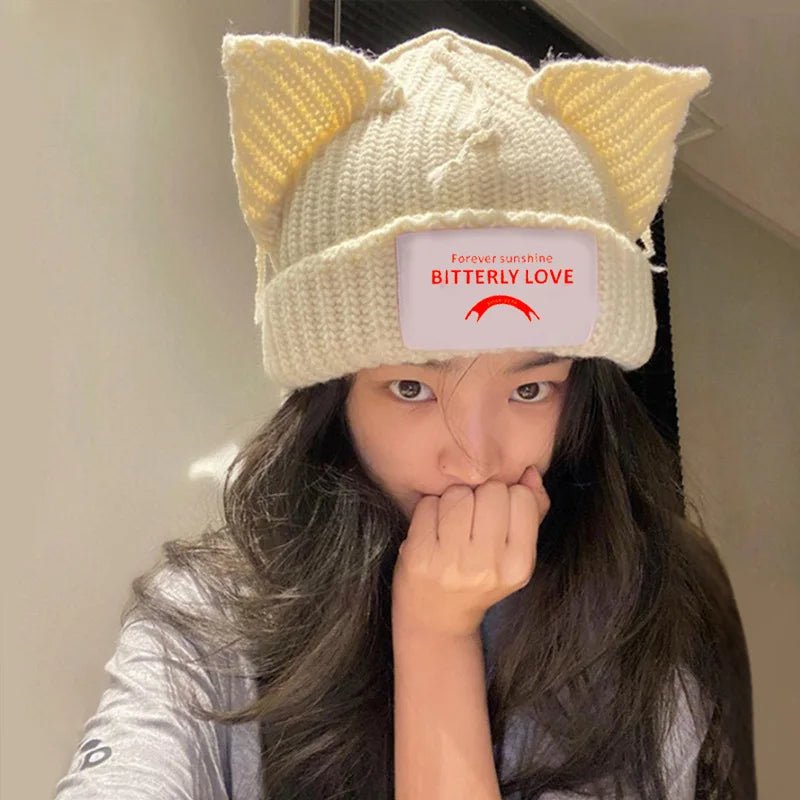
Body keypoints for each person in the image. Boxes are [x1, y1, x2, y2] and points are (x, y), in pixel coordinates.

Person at [53, 27, 756, 800]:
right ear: (332, 398)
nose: (476, 457)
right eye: (413, 389)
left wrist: (438, 633)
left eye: (530, 390)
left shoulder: (639, 624)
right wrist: (431, 629)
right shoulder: (211, 623)